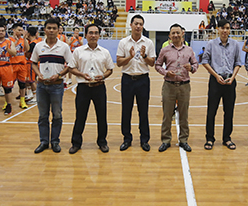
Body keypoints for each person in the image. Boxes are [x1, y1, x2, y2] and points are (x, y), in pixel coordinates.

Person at [68, 24, 114, 154]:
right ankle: (76, 143)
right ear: (86, 35)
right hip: (83, 87)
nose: (93, 35)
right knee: (80, 116)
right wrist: (82, 75)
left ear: (99, 35)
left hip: (99, 87)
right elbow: (71, 68)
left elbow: (110, 69)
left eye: (96, 33)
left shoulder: (104, 52)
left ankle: (102, 142)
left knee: (102, 116)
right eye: (90, 33)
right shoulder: (78, 51)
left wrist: (103, 76)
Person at [155, 23, 198, 153]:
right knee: (167, 115)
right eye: (173, 33)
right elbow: (157, 65)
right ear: (169, 35)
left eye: (178, 32)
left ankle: (183, 140)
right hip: (169, 86)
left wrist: (192, 68)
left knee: (184, 115)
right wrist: (165, 72)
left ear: (182, 34)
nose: (175, 35)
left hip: (184, 86)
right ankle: (166, 140)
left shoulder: (189, 50)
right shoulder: (165, 50)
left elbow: (195, 64)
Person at [31, 18, 72, 154]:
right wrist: (38, 74)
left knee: (57, 114)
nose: (51, 31)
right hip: (42, 86)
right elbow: (33, 63)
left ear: (59, 30)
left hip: (56, 86)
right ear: (45, 30)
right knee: (43, 115)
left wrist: (59, 75)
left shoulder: (64, 47)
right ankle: (44, 141)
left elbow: (71, 65)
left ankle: (55, 141)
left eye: (54, 28)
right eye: (49, 28)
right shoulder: (38, 46)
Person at [116, 15, 156, 152]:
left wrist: (144, 56)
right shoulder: (123, 42)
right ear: (131, 25)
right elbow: (119, 63)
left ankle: (144, 140)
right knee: (126, 111)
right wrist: (130, 57)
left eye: (141, 24)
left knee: (143, 111)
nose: (138, 26)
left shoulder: (148, 43)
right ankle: (127, 139)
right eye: (136, 23)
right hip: (127, 79)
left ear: (143, 26)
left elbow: (152, 63)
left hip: (143, 80)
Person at [201, 19, 242, 150]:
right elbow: (205, 61)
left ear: (230, 30)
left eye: (227, 28)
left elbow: (238, 63)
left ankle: (227, 138)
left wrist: (233, 77)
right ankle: (210, 138)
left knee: (229, 111)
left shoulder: (235, 44)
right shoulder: (211, 44)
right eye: (222, 28)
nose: (225, 30)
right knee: (211, 111)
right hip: (215, 81)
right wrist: (215, 75)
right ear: (218, 29)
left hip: (230, 81)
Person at [9, 23, 30, 110]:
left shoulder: (23, 39)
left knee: (22, 84)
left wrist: (24, 39)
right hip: (12, 64)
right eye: (19, 30)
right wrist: (16, 40)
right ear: (14, 30)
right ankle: (8, 102)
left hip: (22, 64)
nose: (21, 32)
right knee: (9, 85)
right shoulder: (9, 40)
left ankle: (22, 101)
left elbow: (27, 49)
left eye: (22, 30)